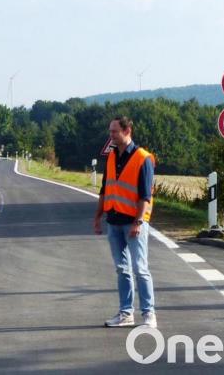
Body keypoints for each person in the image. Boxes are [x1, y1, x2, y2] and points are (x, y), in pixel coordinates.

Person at [93, 116, 157, 329]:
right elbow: (105, 189)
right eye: (110, 131)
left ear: (127, 130)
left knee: (140, 268)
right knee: (122, 269)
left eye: (114, 132)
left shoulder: (143, 158)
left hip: (133, 223)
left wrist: (139, 222)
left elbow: (145, 196)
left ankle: (149, 314)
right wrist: (97, 217)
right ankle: (126, 313)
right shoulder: (111, 156)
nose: (110, 135)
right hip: (114, 221)